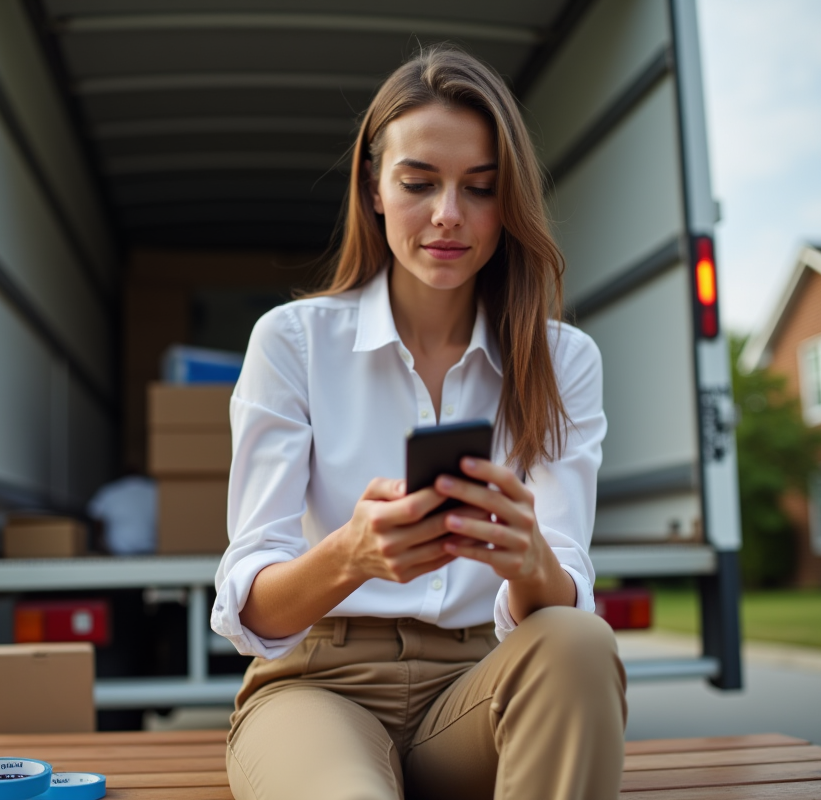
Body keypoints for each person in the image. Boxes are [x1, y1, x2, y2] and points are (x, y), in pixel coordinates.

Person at [211, 45, 626, 800]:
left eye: (480, 188)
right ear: (374, 188)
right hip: (318, 688)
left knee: (575, 639)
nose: (448, 215)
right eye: (418, 183)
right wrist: (351, 555)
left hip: (480, 690)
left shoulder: (563, 359)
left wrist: (530, 557)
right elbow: (250, 611)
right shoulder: (293, 342)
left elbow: (559, 614)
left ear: (510, 203)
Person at [86, 469, 157, 555]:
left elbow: (95, 519)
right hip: (154, 551)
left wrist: (100, 545)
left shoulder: (109, 491)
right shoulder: (156, 489)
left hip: (119, 552)